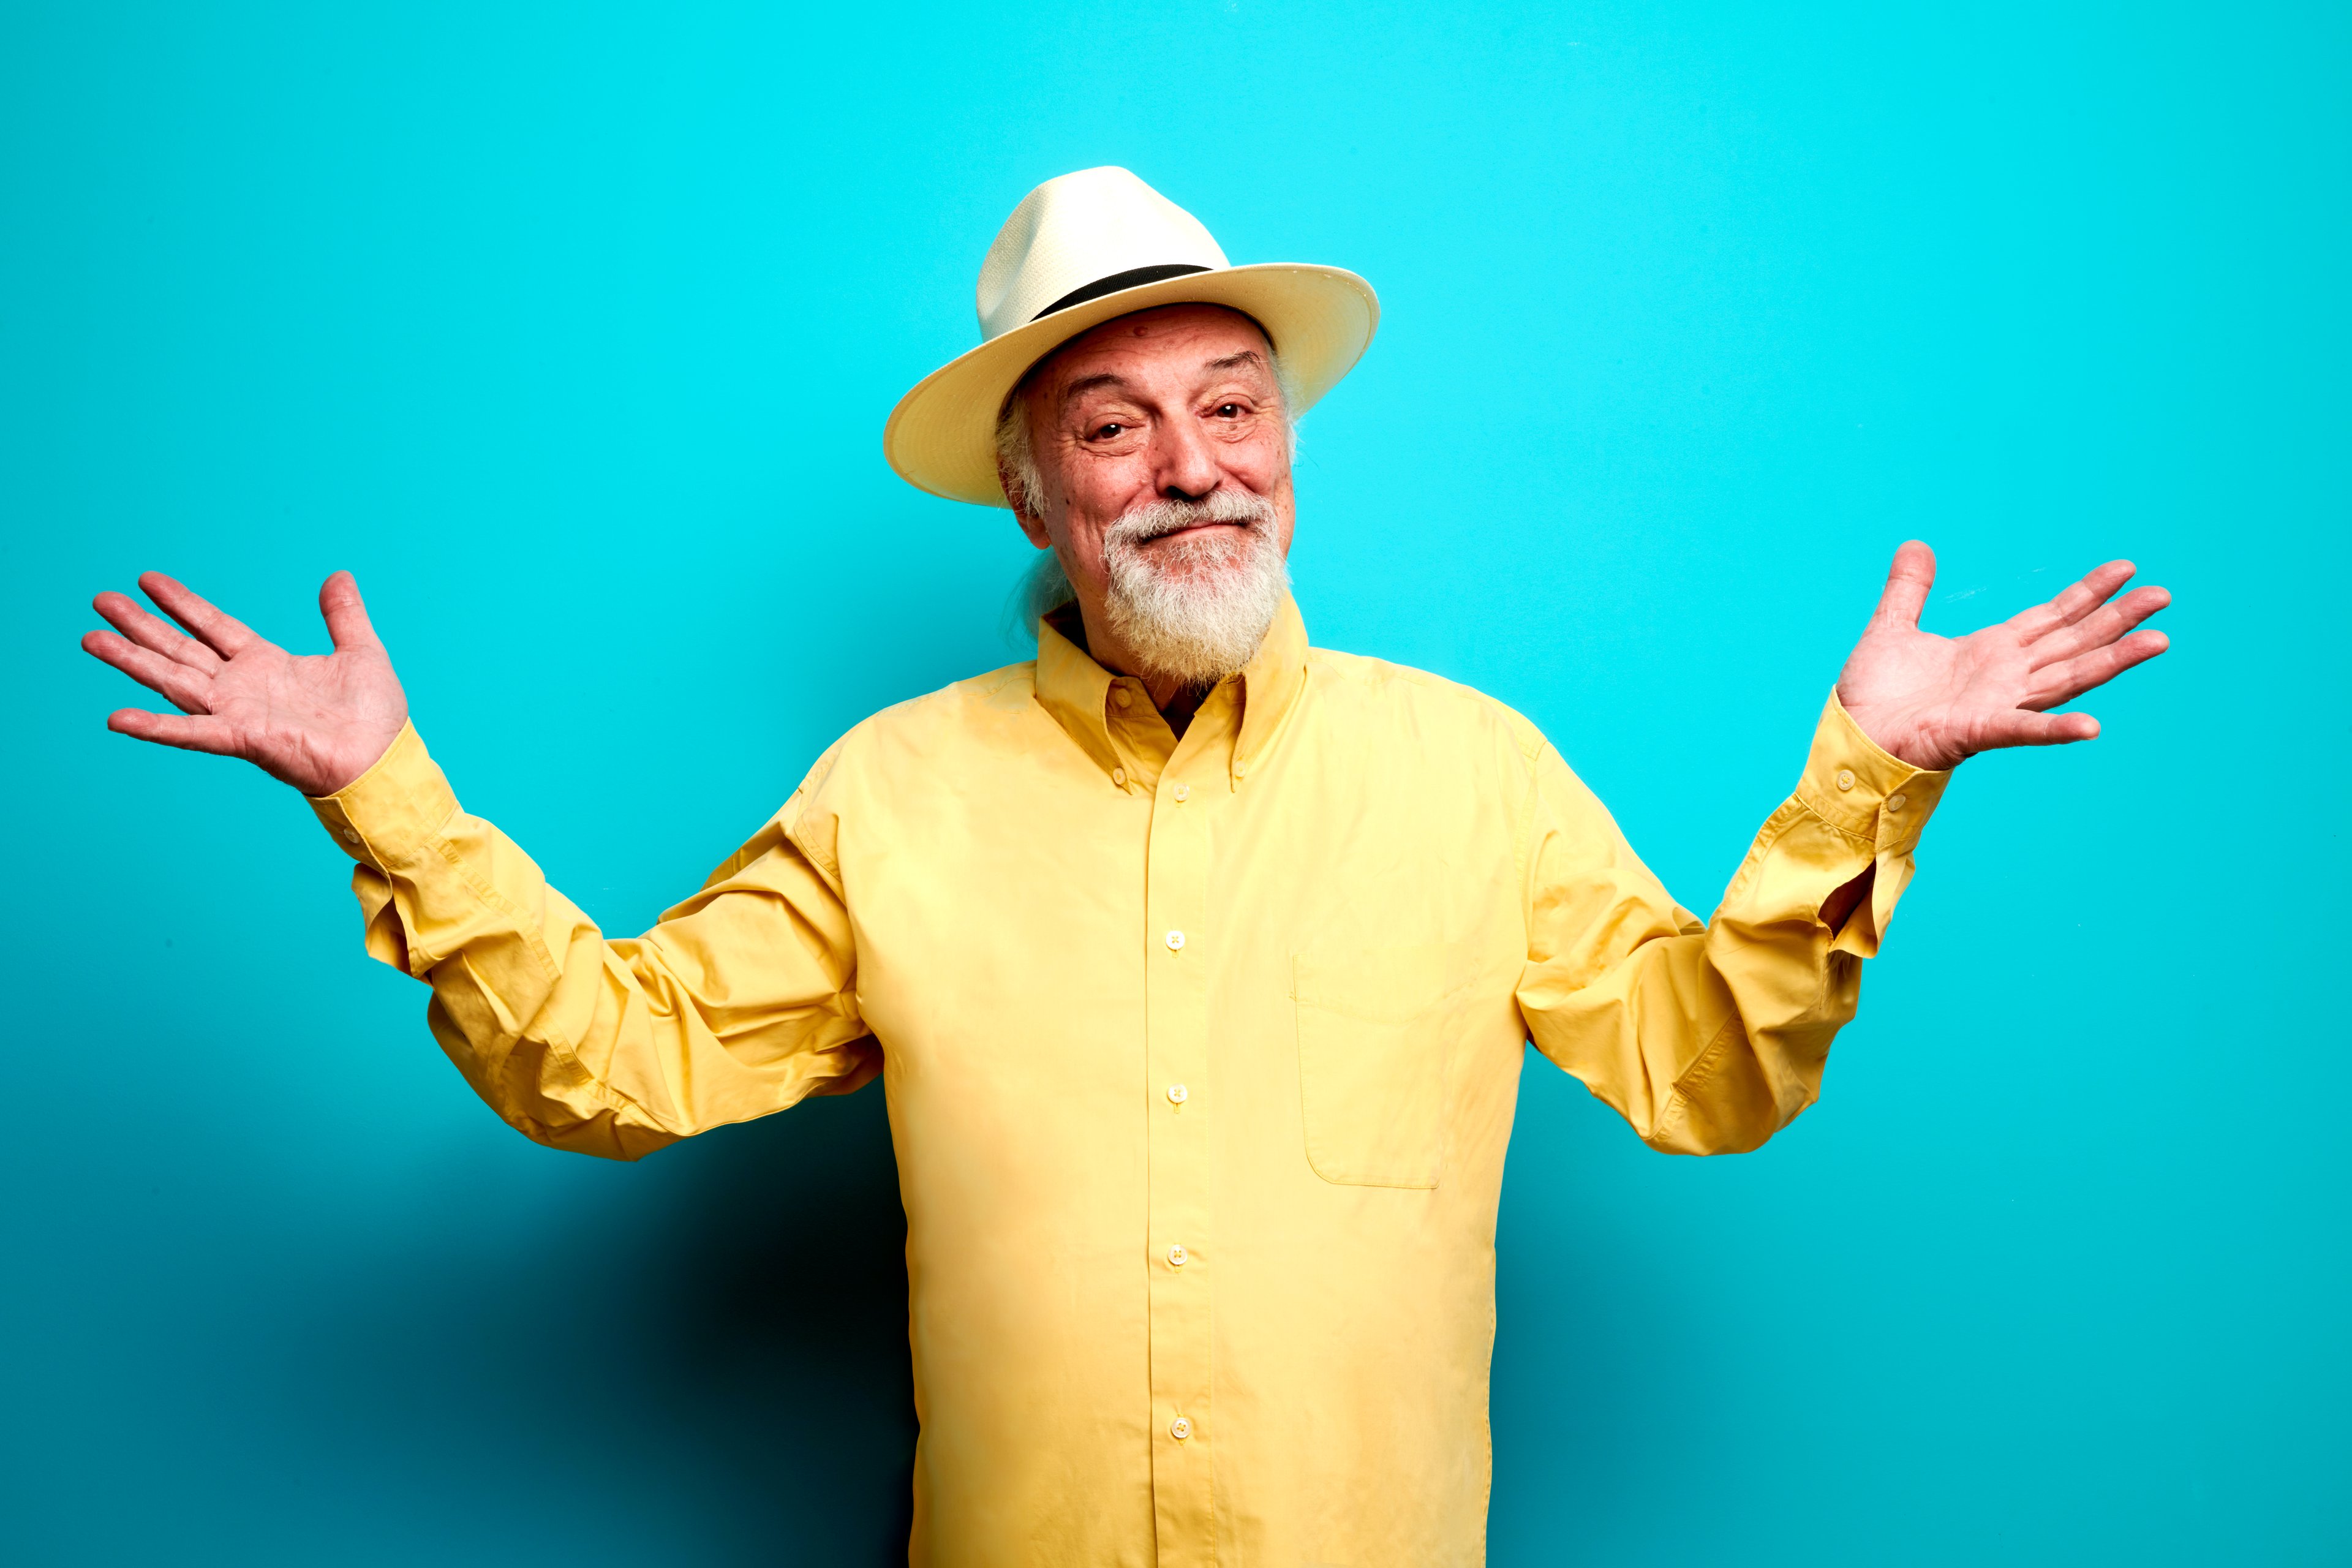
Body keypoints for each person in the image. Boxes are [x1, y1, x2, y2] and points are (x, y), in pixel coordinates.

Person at [79, 167, 2170, 1566]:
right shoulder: (887, 795)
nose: (1192, 467)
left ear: (1287, 441)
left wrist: (1871, 782)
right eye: (1113, 426)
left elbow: (1711, 1073)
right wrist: (384, 794)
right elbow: (614, 1065)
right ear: (1031, 495)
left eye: (1232, 407)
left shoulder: (1473, 770)